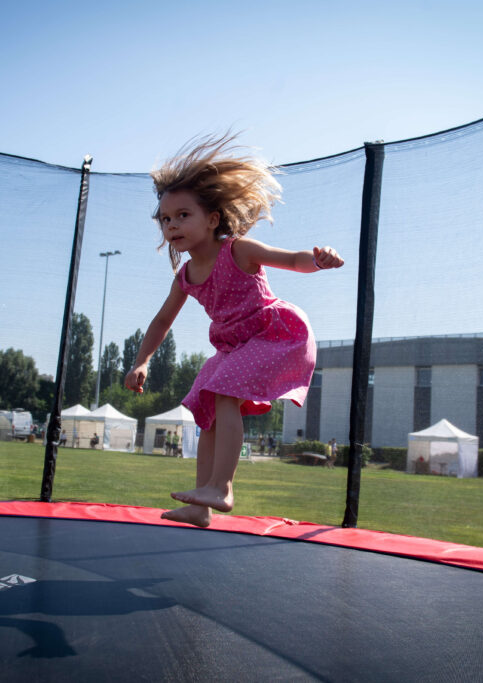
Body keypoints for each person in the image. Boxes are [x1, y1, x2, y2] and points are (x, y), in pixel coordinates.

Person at [124, 134, 344, 527]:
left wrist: (319, 259)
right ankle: (200, 505)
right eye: (165, 219)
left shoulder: (237, 250)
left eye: (183, 215)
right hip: (234, 346)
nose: (172, 225)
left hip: (274, 333)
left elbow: (293, 259)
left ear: (211, 219)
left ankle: (222, 487)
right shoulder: (186, 275)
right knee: (205, 407)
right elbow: (161, 321)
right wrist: (142, 361)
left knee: (224, 392)